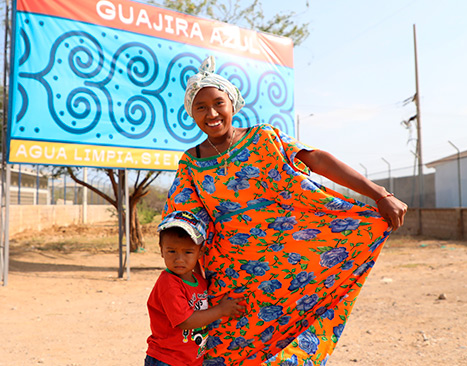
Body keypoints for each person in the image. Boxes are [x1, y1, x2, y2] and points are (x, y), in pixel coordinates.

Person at [163, 56, 408, 365]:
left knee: (291, 339)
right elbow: (182, 218)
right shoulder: (191, 163)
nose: (211, 113)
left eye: (218, 103)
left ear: (232, 104)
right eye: (201, 107)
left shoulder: (264, 139)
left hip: (286, 264)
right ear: (192, 114)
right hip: (230, 278)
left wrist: (380, 194)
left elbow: (316, 160)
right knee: (227, 349)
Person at [145, 210, 246, 366]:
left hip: (190, 360)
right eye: (171, 251)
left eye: (188, 252)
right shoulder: (168, 283)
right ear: (161, 250)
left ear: (200, 253)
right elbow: (185, 321)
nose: (179, 259)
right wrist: (221, 310)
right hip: (167, 359)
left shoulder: (198, 280)